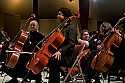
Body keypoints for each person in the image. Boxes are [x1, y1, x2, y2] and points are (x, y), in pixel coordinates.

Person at [48, 7, 78, 83]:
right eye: (57, 14)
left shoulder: (71, 28)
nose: (57, 16)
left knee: (53, 60)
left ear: (65, 16)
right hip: (61, 55)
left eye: (60, 14)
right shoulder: (60, 29)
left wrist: (60, 51)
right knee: (50, 58)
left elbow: (71, 44)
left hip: (69, 56)